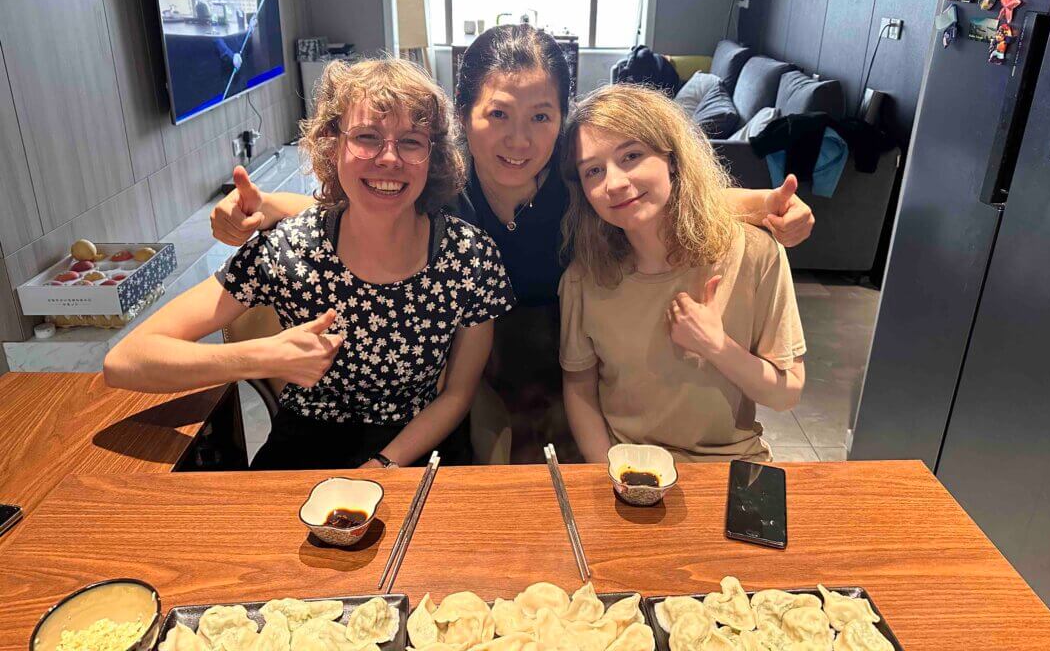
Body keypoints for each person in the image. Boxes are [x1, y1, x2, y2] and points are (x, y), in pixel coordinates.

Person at [209, 25, 814, 462]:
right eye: (498, 115)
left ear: (562, 118)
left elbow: (670, 195)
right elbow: (343, 208)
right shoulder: (440, 187)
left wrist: (766, 207)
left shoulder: (579, 185)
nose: (519, 141)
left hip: (579, 369)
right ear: (463, 114)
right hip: (476, 373)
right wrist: (262, 209)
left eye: (541, 116)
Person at [104, 58, 514, 469]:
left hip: (416, 448)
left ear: (434, 156)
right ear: (333, 145)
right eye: (367, 137)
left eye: (411, 141)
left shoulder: (469, 257)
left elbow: (457, 395)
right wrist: (265, 356)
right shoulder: (291, 248)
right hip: (304, 448)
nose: (389, 158)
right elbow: (125, 360)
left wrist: (382, 466)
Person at [558, 84, 806, 463]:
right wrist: (609, 470)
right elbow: (579, 389)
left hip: (729, 462)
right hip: (628, 464)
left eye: (632, 155)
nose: (615, 183)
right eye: (593, 170)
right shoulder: (585, 277)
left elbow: (786, 394)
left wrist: (716, 347)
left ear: (671, 159)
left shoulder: (754, 252)